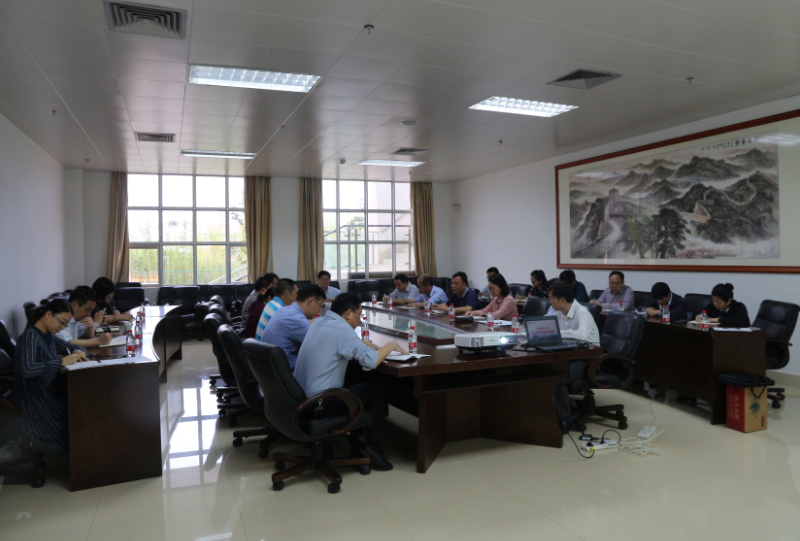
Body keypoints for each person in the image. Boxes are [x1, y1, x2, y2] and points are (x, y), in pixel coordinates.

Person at [294, 293, 406, 471]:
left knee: (357, 379)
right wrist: (390, 346)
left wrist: (366, 345)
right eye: (359, 315)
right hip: (319, 402)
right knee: (375, 389)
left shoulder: (321, 322)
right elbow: (371, 361)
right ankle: (373, 447)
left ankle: (357, 442)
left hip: (301, 398)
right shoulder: (343, 330)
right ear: (348, 314)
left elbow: (340, 342)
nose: (360, 320)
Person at [14, 298, 88, 456]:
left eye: (65, 325)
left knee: (81, 411)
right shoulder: (30, 337)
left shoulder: (48, 336)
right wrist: (61, 361)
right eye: (62, 322)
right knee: (75, 426)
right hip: (35, 399)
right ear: (48, 314)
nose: (62, 328)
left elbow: (75, 347)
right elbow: (27, 369)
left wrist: (77, 351)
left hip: (48, 392)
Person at [547, 281, 601, 434]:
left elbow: (581, 335)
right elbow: (549, 328)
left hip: (588, 360)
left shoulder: (582, 313)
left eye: (552, 299)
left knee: (559, 379)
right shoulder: (559, 313)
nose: (550, 302)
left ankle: (564, 420)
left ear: (562, 300)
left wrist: (557, 333)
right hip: (569, 356)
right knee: (544, 372)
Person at [260, 284, 326, 370]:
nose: (319, 311)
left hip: (270, 370)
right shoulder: (297, 319)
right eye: (320, 306)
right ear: (310, 301)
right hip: (287, 372)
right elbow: (321, 348)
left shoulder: (284, 310)